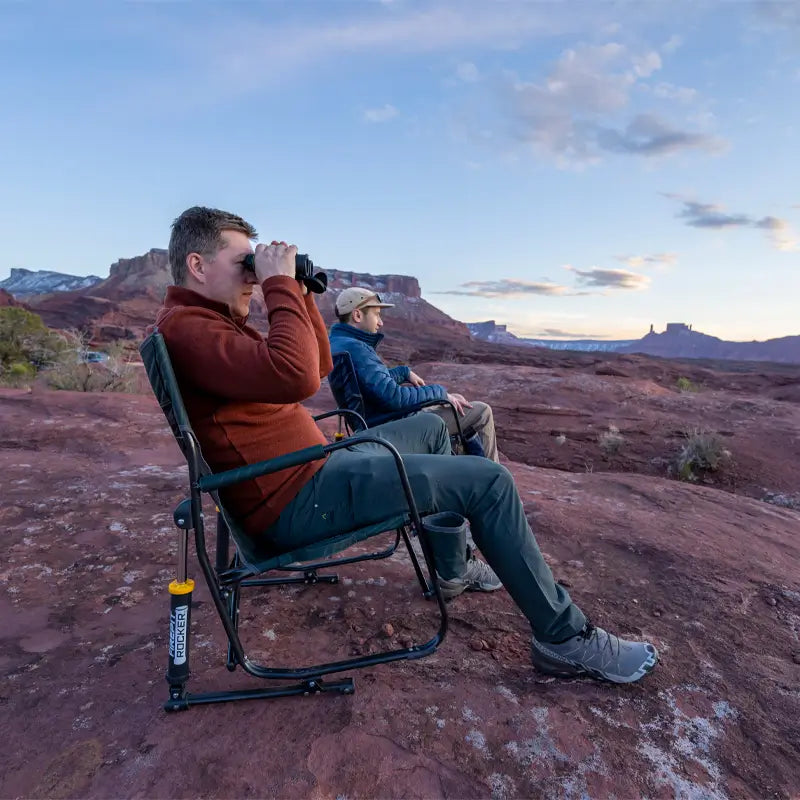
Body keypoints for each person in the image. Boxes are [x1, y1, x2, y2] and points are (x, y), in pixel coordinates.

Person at [152, 206, 659, 684]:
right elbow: (299, 376)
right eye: (243, 262)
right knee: (489, 482)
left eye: (253, 266)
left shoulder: (209, 325)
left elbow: (321, 363)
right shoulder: (192, 329)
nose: (250, 276)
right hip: (300, 500)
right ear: (197, 265)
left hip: (319, 467)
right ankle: (564, 638)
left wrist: (301, 291)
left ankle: (452, 567)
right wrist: (278, 282)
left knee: (437, 425)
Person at [329, 287, 499, 462]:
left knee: (461, 416)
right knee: (481, 412)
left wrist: (404, 372)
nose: (380, 323)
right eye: (377, 315)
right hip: (391, 426)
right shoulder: (358, 349)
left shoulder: (339, 343)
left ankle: (474, 473)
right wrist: (442, 393)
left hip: (376, 421)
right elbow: (395, 398)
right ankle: (495, 480)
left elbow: (370, 381)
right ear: (357, 315)